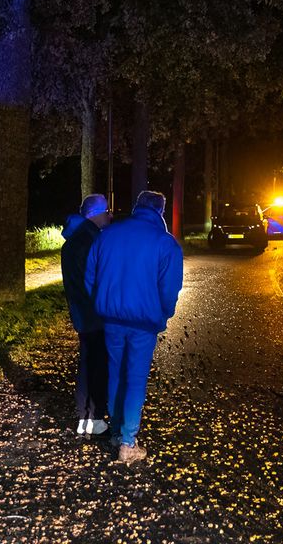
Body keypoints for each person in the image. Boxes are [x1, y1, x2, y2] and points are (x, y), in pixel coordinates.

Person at [86, 191, 183, 464]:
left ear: (136, 207)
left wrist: (101, 303)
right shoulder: (165, 243)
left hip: (112, 318)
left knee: (115, 372)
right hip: (143, 322)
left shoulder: (107, 235)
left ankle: (116, 431)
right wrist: (163, 313)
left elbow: (90, 276)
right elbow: (169, 288)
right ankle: (128, 443)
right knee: (136, 379)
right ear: (160, 212)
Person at [62, 194, 113, 437]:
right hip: (93, 313)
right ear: (96, 214)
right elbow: (93, 281)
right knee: (94, 365)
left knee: (88, 362)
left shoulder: (75, 239)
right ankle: (90, 417)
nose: (110, 216)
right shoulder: (89, 240)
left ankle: (86, 415)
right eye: (107, 211)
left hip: (82, 312)